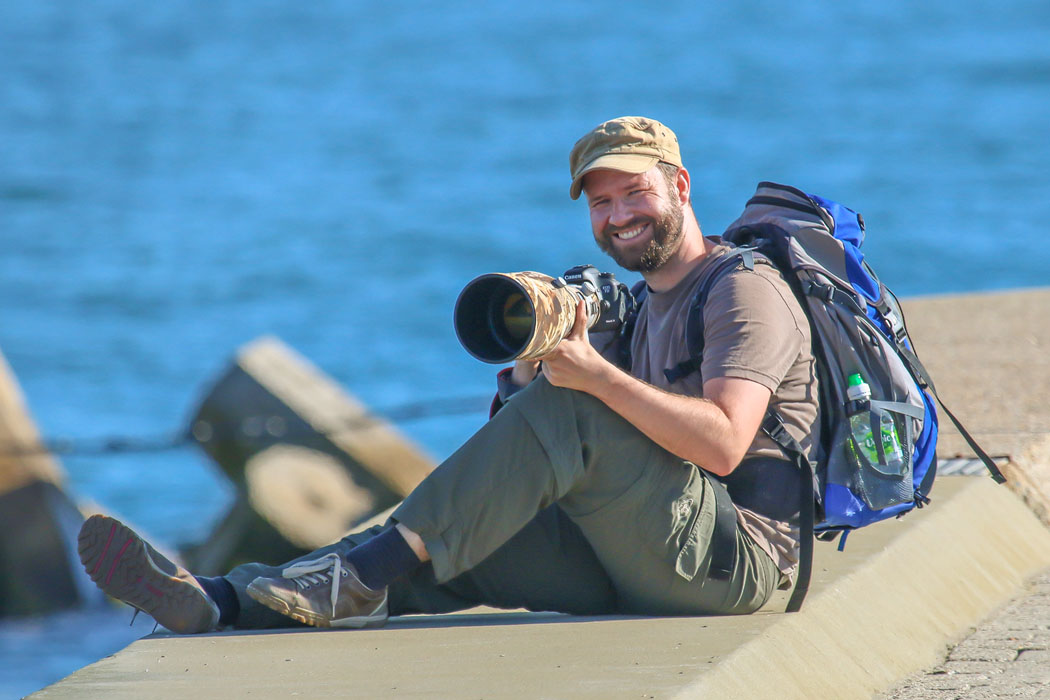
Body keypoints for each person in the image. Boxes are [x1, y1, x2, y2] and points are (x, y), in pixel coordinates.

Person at [78, 116, 818, 634]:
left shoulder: (740, 290)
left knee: (575, 405)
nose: (619, 214)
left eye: (635, 192)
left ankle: (352, 578)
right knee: (453, 548)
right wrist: (532, 370)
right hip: (645, 551)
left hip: (737, 564)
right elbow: (532, 456)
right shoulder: (636, 305)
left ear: (681, 186)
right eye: (601, 202)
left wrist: (591, 376)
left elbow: (723, 444)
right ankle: (221, 601)